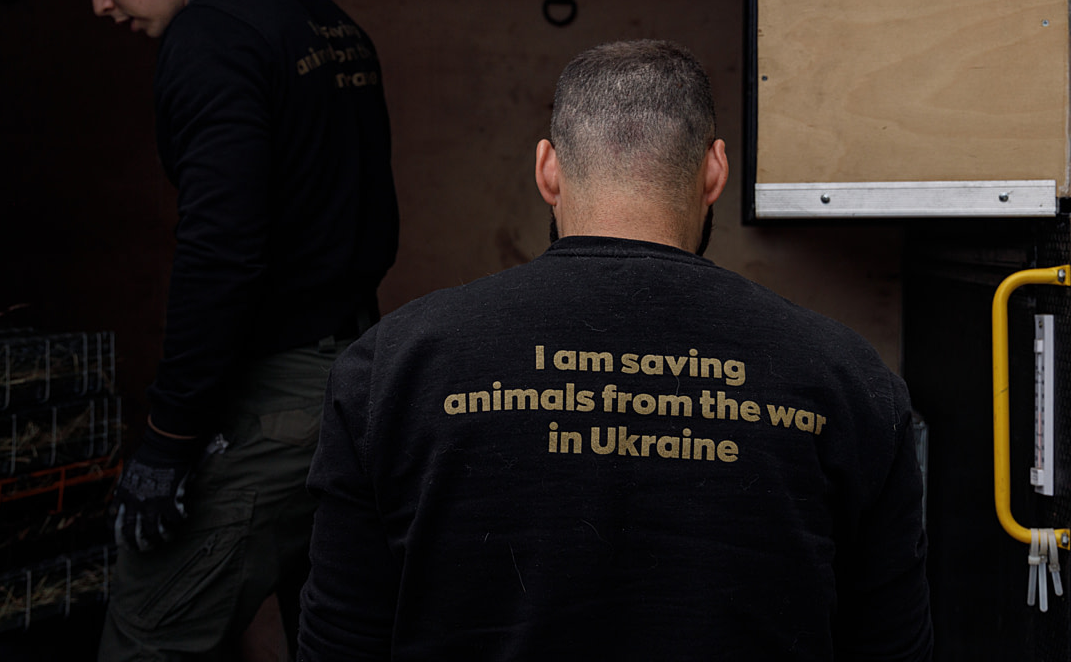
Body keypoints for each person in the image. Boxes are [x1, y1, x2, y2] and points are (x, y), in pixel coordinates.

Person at [297, 40, 932, 661]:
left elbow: (339, 640)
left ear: (548, 168)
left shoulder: (392, 370)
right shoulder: (850, 383)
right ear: (715, 170)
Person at [49, 0, 399, 658]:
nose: (100, 3)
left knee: (147, 639)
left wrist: (168, 440)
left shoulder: (208, 39)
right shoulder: (323, 18)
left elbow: (221, 254)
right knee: (338, 637)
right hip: (360, 382)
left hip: (274, 397)